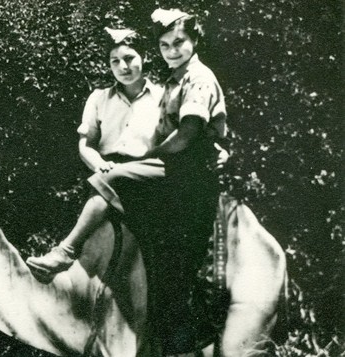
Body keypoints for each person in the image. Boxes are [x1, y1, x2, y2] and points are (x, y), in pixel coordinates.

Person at [26, 27, 166, 278]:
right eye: (115, 61)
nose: (123, 66)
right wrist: (97, 163)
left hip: (145, 176)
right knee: (108, 180)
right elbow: (86, 145)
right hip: (104, 173)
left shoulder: (163, 98)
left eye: (130, 58)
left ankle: (66, 250)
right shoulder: (99, 99)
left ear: (143, 58)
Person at [145, 8, 229, 353]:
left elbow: (189, 132)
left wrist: (148, 157)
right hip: (176, 171)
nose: (172, 50)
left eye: (179, 42)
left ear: (195, 41)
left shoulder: (199, 77)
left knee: (179, 268)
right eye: (165, 45)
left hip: (192, 173)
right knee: (161, 262)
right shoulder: (173, 79)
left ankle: (191, 343)